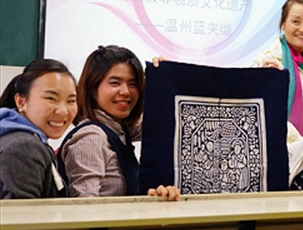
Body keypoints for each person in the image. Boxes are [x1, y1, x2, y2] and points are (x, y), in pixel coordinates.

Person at [58, 45, 179, 200]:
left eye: (132, 84)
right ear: (93, 90)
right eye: (115, 83)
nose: (125, 92)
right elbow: (87, 206)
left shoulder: (119, 129)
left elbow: (161, 124)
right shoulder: (91, 138)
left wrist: (163, 76)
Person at [251, 0, 303, 139]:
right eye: (296, 21)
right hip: (278, 143)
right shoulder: (267, 60)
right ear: (283, 24)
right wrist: (261, 78)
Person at [0, 59, 77, 199]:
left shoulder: (14, 137)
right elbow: (22, 211)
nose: (63, 111)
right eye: (51, 98)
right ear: (21, 102)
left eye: (71, 101)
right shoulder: (24, 147)